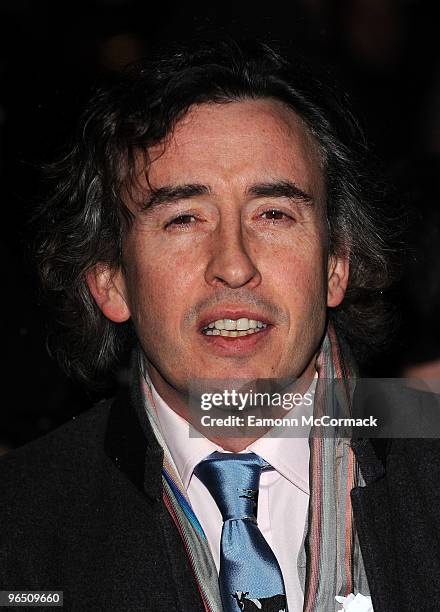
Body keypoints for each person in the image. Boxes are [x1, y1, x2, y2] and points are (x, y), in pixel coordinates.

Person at [1, 37, 439, 612]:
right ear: (111, 280)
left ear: (336, 266)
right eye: (184, 219)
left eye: (274, 214)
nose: (233, 265)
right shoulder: (21, 528)